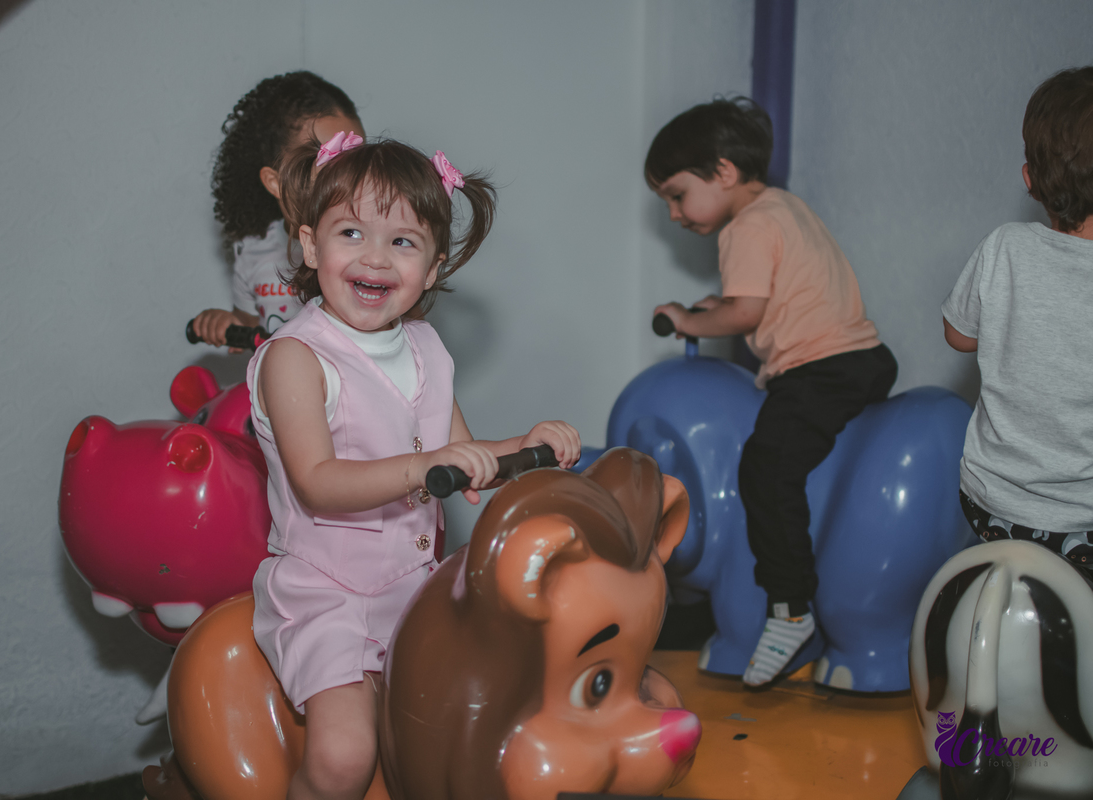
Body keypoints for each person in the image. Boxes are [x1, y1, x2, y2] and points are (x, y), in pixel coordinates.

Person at [247, 135, 581, 799]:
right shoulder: (296, 357)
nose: (375, 256)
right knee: (344, 756)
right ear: (312, 248)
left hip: (416, 589)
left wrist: (529, 443)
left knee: (484, 717)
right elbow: (318, 480)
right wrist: (426, 463)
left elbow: (462, 456)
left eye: (402, 242)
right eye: (351, 233)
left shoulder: (427, 347)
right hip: (327, 592)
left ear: (432, 268)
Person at [647, 98, 897, 687]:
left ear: (724, 172)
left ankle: (789, 611)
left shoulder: (745, 227)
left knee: (765, 469)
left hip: (822, 368)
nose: (675, 214)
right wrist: (709, 306)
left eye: (677, 195)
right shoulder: (782, 208)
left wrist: (688, 321)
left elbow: (745, 314)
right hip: (864, 360)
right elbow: (761, 297)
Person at [942, 66, 1093, 572]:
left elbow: (959, 336)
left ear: (1030, 178)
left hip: (993, 505)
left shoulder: (1006, 245)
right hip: (1083, 520)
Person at [189, 71, 364, 348]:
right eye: (328, 165)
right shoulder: (252, 251)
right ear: (276, 182)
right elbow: (246, 331)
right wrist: (224, 325)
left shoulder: (367, 249)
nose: (348, 181)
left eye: (358, 163)